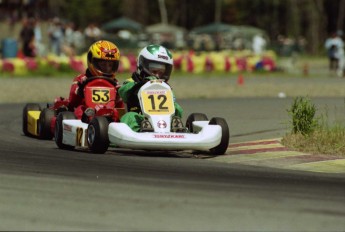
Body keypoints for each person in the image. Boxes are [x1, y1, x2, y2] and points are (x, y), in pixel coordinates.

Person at [118, 44, 184, 132]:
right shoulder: (131, 82)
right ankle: (144, 128)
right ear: (142, 65)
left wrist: (174, 106)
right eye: (154, 71)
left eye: (161, 72)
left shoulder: (166, 88)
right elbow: (123, 93)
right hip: (140, 118)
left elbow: (178, 111)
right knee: (129, 117)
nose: (157, 75)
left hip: (164, 120)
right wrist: (140, 84)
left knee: (178, 110)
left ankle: (176, 128)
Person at [68, 40, 124, 120]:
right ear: (92, 61)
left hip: (108, 112)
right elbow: (72, 102)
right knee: (79, 110)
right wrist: (79, 91)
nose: (107, 68)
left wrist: (119, 96)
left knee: (122, 113)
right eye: (103, 64)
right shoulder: (81, 79)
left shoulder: (115, 83)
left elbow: (120, 107)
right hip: (87, 112)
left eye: (110, 65)